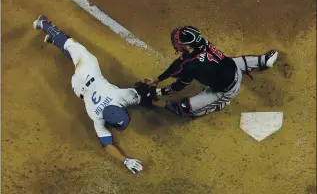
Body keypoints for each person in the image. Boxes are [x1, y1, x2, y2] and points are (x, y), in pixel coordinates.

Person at [32, 15, 145, 174]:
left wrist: (126, 160)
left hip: (88, 70)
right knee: (74, 52)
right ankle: (46, 32)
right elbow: (107, 145)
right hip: (77, 87)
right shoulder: (96, 117)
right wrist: (124, 160)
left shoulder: (119, 96)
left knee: (74, 46)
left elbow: (139, 94)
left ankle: (44, 25)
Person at [145, 26, 279, 117]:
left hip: (226, 90)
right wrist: (158, 79)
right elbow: (178, 64)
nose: (175, 43)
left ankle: (219, 105)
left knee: (184, 108)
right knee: (234, 62)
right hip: (234, 67)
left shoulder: (190, 66)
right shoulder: (202, 42)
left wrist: (160, 92)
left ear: (185, 45)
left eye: (177, 42)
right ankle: (263, 60)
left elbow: (178, 86)